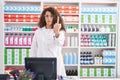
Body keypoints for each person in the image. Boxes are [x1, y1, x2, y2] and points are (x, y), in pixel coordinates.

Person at [30, 7, 66, 78]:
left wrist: (56, 32)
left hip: (56, 67)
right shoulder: (38, 32)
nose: (49, 18)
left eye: (51, 16)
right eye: (47, 16)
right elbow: (33, 50)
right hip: (40, 67)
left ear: (55, 17)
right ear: (44, 17)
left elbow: (59, 43)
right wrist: (32, 67)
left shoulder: (60, 32)